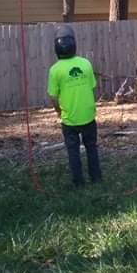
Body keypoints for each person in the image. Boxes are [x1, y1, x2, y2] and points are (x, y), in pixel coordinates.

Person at [47, 25, 102, 187]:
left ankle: (78, 182)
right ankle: (96, 178)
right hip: (88, 116)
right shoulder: (85, 63)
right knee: (91, 147)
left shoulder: (55, 70)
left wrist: (58, 111)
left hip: (69, 119)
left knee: (73, 151)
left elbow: (52, 97)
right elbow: (92, 87)